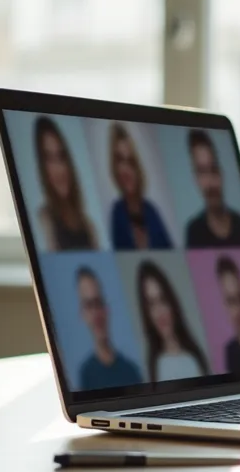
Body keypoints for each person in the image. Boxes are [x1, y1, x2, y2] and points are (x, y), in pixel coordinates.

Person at [136, 260, 209, 382]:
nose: (159, 312)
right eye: (152, 304)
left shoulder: (194, 356)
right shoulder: (153, 369)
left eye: (162, 300)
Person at [183, 129, 240, 248]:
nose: (210, 182)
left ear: (221, 173)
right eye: (202, 172)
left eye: (213, 169)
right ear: (196, 178)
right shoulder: (194, 232)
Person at [33, 116, 98, 251]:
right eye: (50, 159)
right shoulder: (45, 220)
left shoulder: (89, 226)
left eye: (61, 157)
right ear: (43, 168)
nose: (60, 169)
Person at [73, 266, 143, 390]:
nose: (96, 314)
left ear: (106, 309)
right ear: (82, 314)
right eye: (89, 305)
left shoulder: (131, 370)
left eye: (98, 303)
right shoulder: (86, 374)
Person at [107, 122, 173, 250]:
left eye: (130, 162)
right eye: (120, 161)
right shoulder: (117, 214)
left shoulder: (151, 211)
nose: (126, 170)